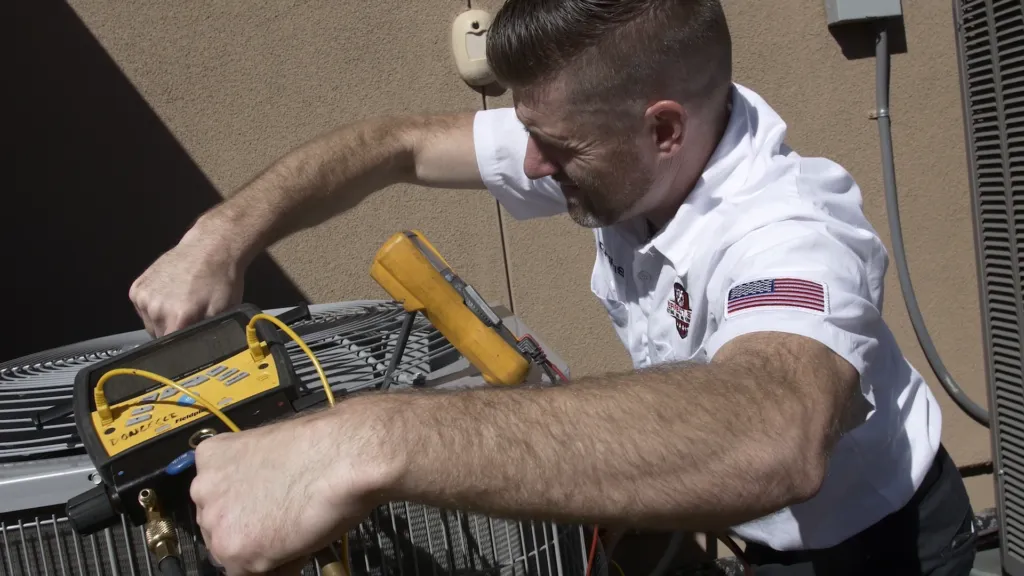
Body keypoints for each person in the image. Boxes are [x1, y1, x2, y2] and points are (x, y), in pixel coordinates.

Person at [128, 0, 978, 574]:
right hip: (756, 535)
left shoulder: (793, 228)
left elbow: (773, 432)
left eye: (557, 148)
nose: (529, 163)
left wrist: (360, 443)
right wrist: (221, 235)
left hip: (878, 548)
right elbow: (394, 143)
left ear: (664, 130)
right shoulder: (610, 135)